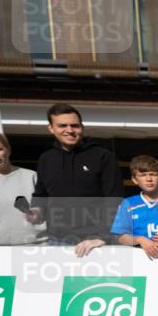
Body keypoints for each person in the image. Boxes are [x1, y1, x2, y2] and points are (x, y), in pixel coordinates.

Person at [31, 103, 124, 256]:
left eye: (75, 125)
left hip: (96, 242)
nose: (70, 130)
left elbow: (114, 199)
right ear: (51, 128)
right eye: (62, 125)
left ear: (82, 127)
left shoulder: (103, 156)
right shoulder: (46, 159)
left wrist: (103, 236)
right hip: (56, 240)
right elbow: (41, 194)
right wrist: (36, 210)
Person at [0, 127, 46, 245]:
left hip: (31, 248)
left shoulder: (32, 177)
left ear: (8, 150)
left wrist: (38, 213)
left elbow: (53, 210)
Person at [110, 155, 158, 259]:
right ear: (134, 179)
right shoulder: (128, 203)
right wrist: (139, 239)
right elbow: (120, 237)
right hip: (138, 259)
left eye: (153, 174)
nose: (149, 179)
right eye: (143, 175)